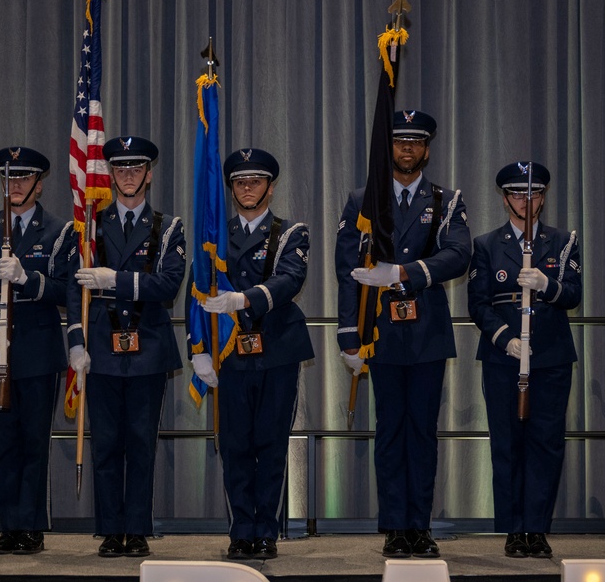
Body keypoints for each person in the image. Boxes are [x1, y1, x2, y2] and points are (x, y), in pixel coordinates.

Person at [335, 111, 471, 559]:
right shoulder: (363, 200)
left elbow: (459, 255)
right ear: (387, 148)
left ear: (427, 149)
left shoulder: (446, 200)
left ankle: (421, 526)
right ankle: (395, 526)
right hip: (382, 334)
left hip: (428, 333)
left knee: (423, 434)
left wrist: (404, 273)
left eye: (415, 141)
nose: (407, 148)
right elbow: (346, 270)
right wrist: (348, 335)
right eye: (399, 141)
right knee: (390, 432)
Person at [187, 148, 313, 560]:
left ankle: (267, 530)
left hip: (275, 350)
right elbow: (197, 295)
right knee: (236, 445)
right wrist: (199, 351)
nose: (247, 188)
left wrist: (244, 298)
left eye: (255, 181)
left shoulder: (291, 232)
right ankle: (241, 529)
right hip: (231, 355)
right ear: (230, 189)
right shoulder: (215, 238)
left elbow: (290, 280)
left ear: (270, 187)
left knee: (271, 444)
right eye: (240, 182)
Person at [66, 136, 186, 557]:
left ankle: (136, 528)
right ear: (111, 176)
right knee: (106, 442)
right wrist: (76, 341)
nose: (129, 175)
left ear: (149, 175)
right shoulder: (89, 224)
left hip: (148, 343)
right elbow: (71, 287)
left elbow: (168, 284)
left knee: (140, 442)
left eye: (136, 169)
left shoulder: (168, 227)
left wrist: (113, 280)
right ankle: (110, 529)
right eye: (120, 169)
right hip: (100, 343)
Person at [0, 146, 75, 555]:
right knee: (3, 442)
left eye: (24, 178)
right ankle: (8, 525)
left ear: (39, 185)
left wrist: (28, 278)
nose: (16, 185)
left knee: (33, 442)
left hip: (39, 349)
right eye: (10, 178)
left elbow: (67, 291)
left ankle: (31, 526)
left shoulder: (59, 231)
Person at [466, 162, 581, 559]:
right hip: (504, 358)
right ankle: (513, 530)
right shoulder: (486, 245)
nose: (525, 201)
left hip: (550, 356)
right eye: (517, 194)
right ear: (504, 199)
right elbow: (478, 305)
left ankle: (537, 528)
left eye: (532, 194)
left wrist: (547, 285)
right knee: (508, 444)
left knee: (546, 444)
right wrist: (506, 340)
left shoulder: (563, 241)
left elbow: (573, 294)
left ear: (543, 197)